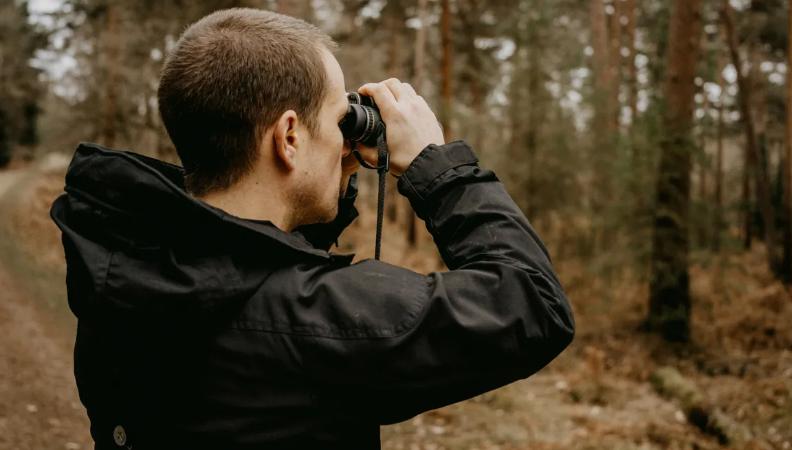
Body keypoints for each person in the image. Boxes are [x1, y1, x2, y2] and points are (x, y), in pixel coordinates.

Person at [50, 8, 574, 450]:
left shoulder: (123, 269)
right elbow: (534, 304)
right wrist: (437, 167)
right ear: (289, 137)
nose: (345, 139)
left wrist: (318, 180)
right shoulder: (318, 322)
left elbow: (244, 260)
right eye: (338, 118)